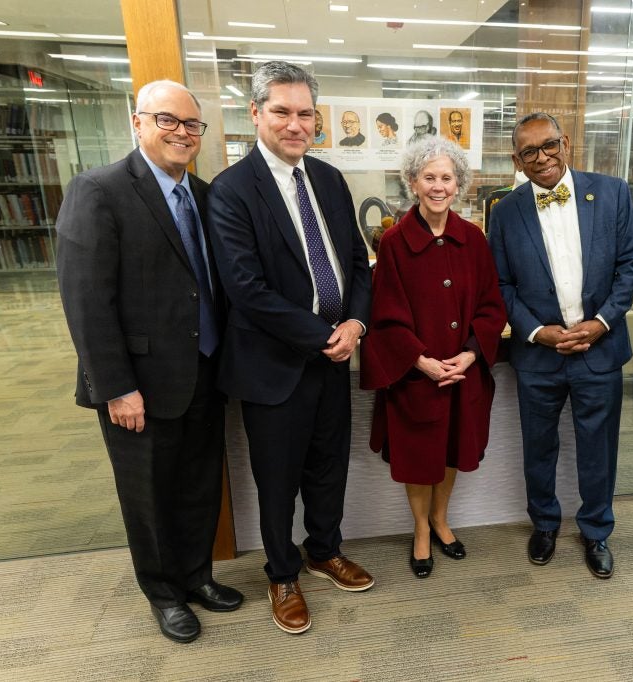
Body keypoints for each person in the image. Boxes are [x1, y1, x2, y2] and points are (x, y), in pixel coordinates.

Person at [55, 80, 242, 644]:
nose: (182, 133)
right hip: (137, 386)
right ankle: (163, 595)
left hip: (204, 372)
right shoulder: (99, 191)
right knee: (149, 496)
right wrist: (116, 387)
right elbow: (86, 300)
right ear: (137, 123)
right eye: (168, 121)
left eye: (191, 124)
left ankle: (196, 577)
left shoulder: (207, 196)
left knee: (198, 486)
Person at [207, 61, 374, 635]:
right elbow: (245, 289)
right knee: (277, 479)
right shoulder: (232, 191)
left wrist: (354, 322)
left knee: (330, 469)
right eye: (282, 111)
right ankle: (282, 573)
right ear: (256, 113)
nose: (295, 124)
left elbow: (355, 261)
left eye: (305, 113)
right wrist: (323, 335)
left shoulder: (328, 179)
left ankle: (323, 551)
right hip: (273, 365)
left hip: (333, 358)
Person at [489, 112, 633, 579]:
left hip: (600, 348)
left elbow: (630, 266)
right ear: (518, 160)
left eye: (549, 145)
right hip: (540, 355)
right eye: (530, 152)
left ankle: (596, 531)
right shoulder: (506, 209)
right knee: (539, 447)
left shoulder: (612, 192)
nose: (543, 158)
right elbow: (500, 285)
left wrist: (599, 323)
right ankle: (546, 524)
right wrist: (537, 331)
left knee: (599, 446)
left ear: (566, 142)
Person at [360, 138, 506, 578]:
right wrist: (420, 361)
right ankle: (421, 529)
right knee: (419, 458)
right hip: (415, 376)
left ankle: (442, 519)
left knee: (450, 453)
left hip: (463, 374)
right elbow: (384, 314)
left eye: (446, 177)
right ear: (413, 183)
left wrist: (471, 354)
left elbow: (491, 305)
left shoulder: (474, 239)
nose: (438, 186)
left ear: (458, 184)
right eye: (429, 178)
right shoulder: (393, 242)